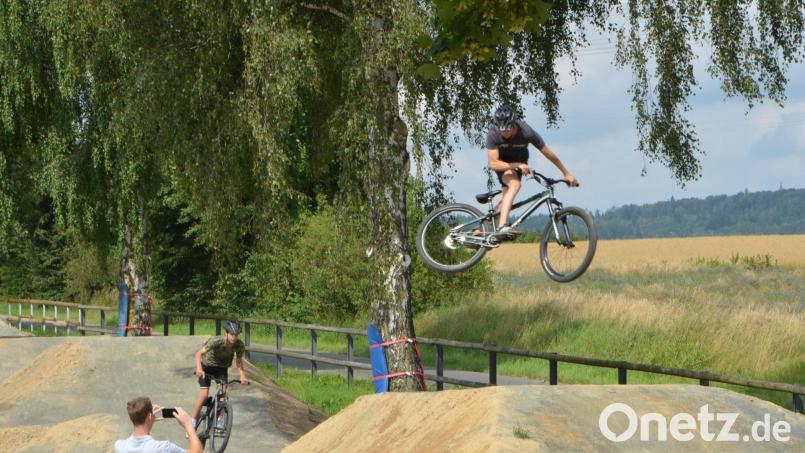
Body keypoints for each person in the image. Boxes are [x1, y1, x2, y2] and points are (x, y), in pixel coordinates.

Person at [486, 104, 579, 238]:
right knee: (515, 185)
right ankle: (502, 227)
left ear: (514, 125)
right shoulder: (494, 132)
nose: (504, 134)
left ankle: (479, 231)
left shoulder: (526, 132)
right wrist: (516, 165)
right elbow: (493, 163)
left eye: (507, 130)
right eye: (502, 131)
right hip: (503, 164)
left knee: (505, 203)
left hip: (519, 163)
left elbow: (548, 153)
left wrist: (566, 173)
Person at [190, 320, 248, 428]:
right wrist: (199, 368)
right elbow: (198, 353)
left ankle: (220, 419)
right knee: (204, 394)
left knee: (223, 394)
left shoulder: (239, 345)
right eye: (231, 334)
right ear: (226, 333)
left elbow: (239, 361)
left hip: (221, 368)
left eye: (236, 335)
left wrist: (242, 375)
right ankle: (192, 420)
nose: (233, 338)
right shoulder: (217, 341)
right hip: (206, 367)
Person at [115, 396, 202, 453]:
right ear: (150, 416)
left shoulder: (119, 446)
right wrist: (188, 425)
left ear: (130, 418)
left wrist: (149, 421)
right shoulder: (162, 448)